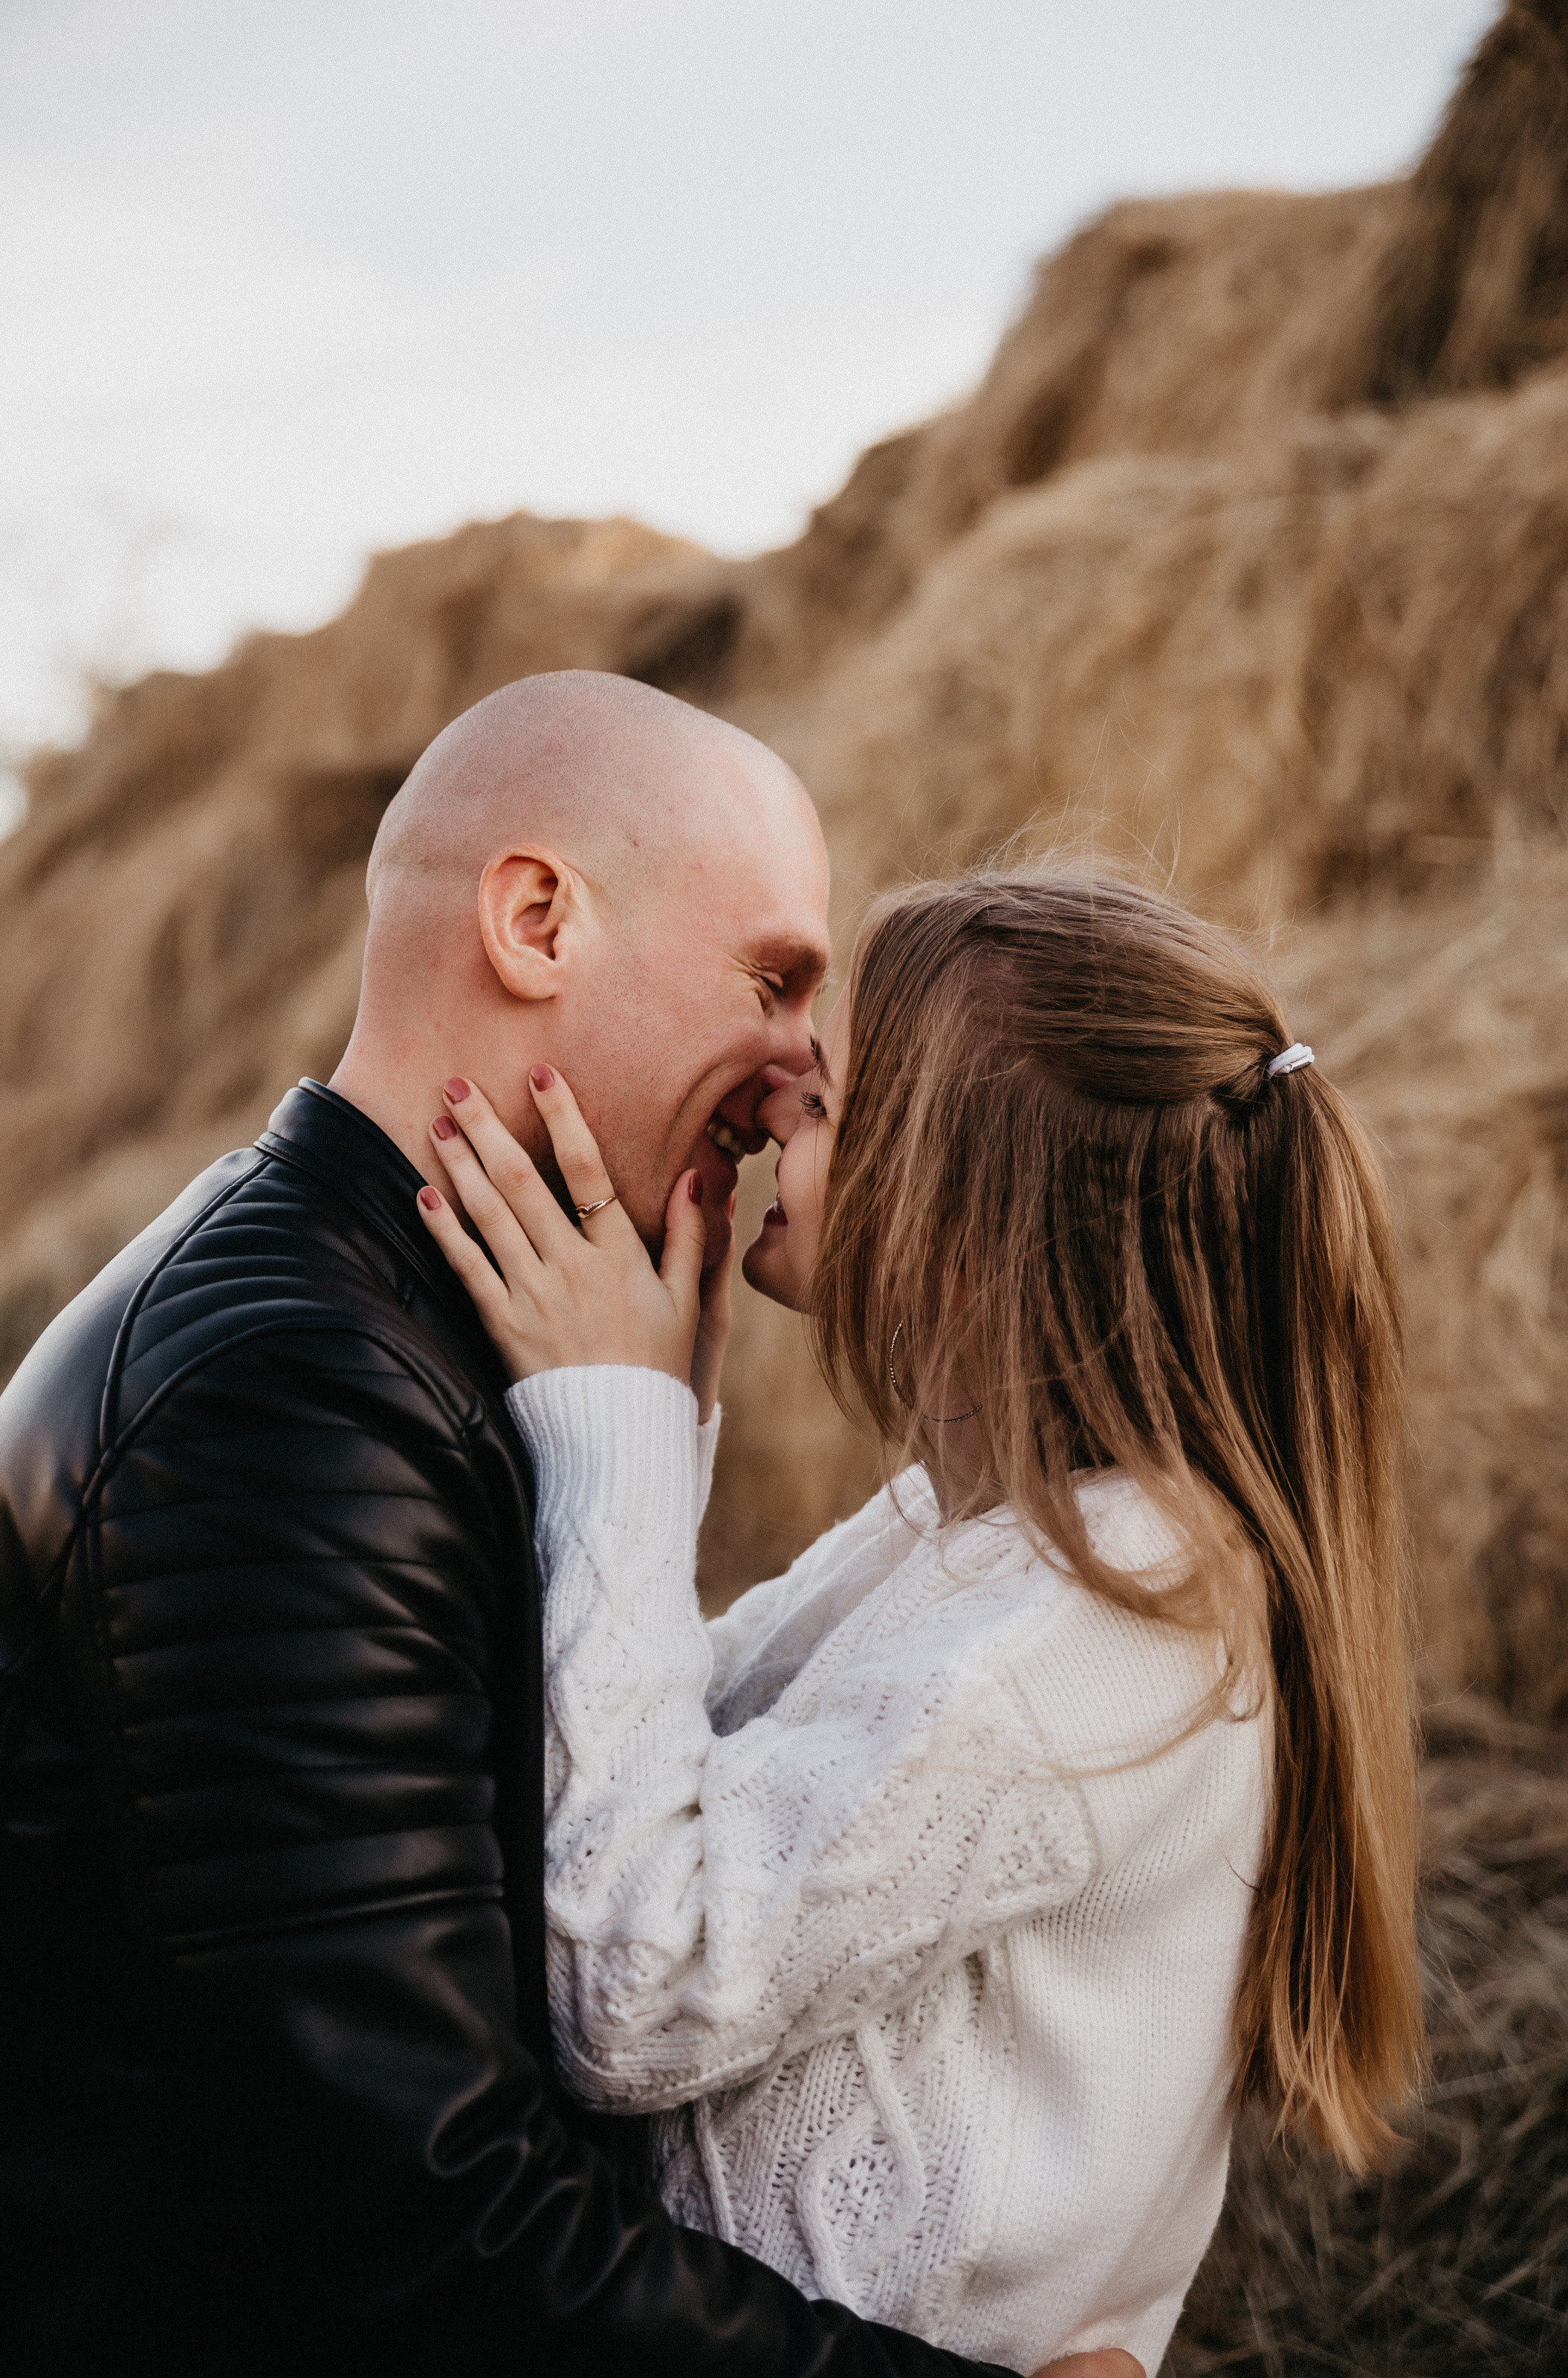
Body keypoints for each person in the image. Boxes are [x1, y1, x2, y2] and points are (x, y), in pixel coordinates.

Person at [0, 673, 1133, 2378]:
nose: (797, 1073)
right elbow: (415, 2217)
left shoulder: (390, 1326)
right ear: (533, 921)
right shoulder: (290, 1392)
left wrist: (638, 1435)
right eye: (769, 979)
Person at [415, 870, 1427, 2375]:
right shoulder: (979, 1531)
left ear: (957, 1220)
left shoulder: (1101, 1618)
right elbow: (669, 1764)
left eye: (817, 1103)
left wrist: (610, 1423)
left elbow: (628, 1981)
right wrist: (664, 1409)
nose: (765, 1108)